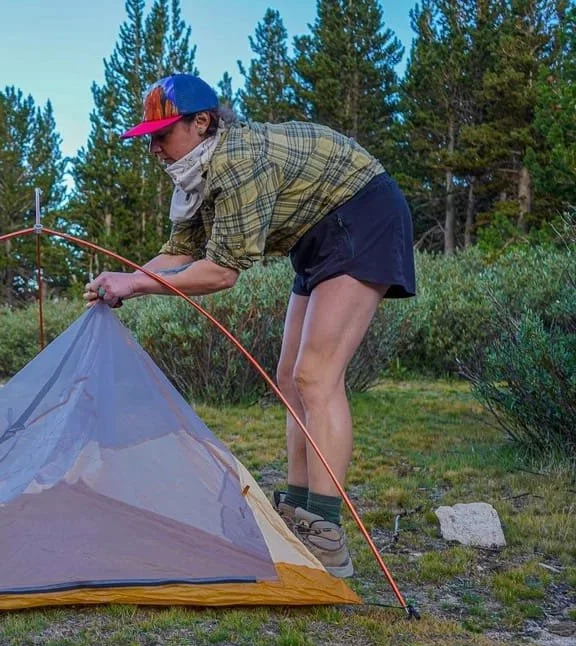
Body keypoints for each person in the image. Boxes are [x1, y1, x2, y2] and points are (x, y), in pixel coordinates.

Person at [83, 73, 416, 578]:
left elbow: (220, 272)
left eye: (162, 133)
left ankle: (324, 531)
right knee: (289, 379)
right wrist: (127, 277)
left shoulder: (238, 161)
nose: (153, 146)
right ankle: (299, 512)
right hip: (316, 237)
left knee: (317, 376)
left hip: (363, 216)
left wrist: (137, 286)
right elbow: (181, 252)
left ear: (201, 123)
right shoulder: (198, 174)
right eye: (148, 137)